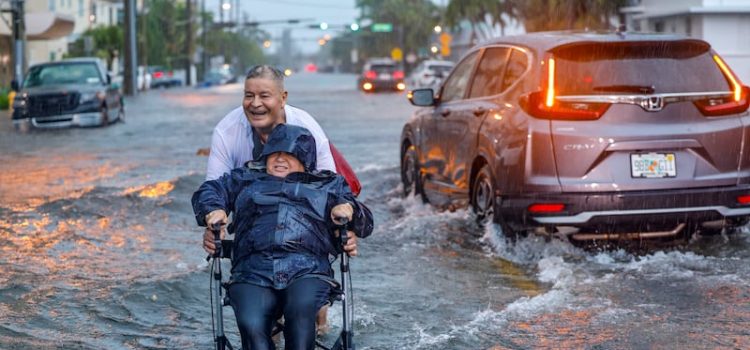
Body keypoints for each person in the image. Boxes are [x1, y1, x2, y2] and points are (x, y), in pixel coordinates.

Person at [193, 124, 374, 350]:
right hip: (252, 270)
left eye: (289, 154)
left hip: (307, 269)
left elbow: (366, 224)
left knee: (300, 311)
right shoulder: (244, 179)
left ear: (305, 159)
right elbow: (209, 190)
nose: (280, 159)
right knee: (251, 322)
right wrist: (213, 209)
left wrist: (349, 209)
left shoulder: (328, 184)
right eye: (275, 153)